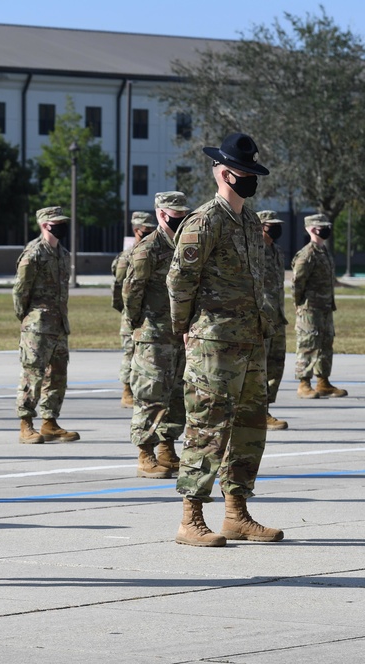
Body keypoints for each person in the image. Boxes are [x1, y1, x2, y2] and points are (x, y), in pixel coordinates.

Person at [167, 132, 282, 547]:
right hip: (213, 344)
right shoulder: (204, 221)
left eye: (253, 172)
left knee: (250, 428)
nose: (249, 179)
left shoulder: (251, 222)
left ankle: (236, 513)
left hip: (250, 342)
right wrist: (183, 330)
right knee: (207, 428)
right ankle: (191, 519)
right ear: (222, 173)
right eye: (242, 172)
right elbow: (180, 281)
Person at [123, 193, 190, 479]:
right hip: (153, 334)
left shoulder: (186, 246)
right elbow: (131, 291)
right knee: (151, 394)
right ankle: (145, 454)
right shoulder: (147, 249)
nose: (180, 218)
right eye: (174, 213)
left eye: (182, 213)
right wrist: (140, 324)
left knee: (177, 395)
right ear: (161, 214)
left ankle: (167, 447)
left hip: (179, 334)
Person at [13, 206, 80, 444]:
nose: (62, 226)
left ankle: (50, 422)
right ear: (44, 224)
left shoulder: (63, 254)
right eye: (56, 222)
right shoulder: (33, 254)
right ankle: (26, 424)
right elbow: (20, 291)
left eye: (63, 222)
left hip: (59, 325)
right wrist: (28, 319)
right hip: (37, 326)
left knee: (58, 375)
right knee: (33, 374)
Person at [292, 213, 348, 399]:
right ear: (312, 229)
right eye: (321, 226)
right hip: (310, 309)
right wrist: (299, 305)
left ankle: (323, 382)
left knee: (326, 344)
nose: (325, 230)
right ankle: (304, 383)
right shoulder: (307, 254)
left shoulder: (324, 252)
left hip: (325, 307)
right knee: (308, 344)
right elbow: (297, 283)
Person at [112, 211, 157, 409]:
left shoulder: (154, 250)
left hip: (150, 312)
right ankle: (126, 391)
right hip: (131, 312)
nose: (147, 233)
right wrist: (126, 311)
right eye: (144, 231)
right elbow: (120, 286)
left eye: (150, 230)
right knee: (130, 352)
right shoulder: (127, 255)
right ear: (135, 230)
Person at [257, 210, 289, 428]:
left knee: (276, 364)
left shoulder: (277, 251)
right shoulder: (253, 251)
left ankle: (265, 408)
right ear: (260, 227)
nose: (275, 228)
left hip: (277, 316)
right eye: (270, 225)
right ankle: (258, 413)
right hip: (261, 318)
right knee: (260, 366)